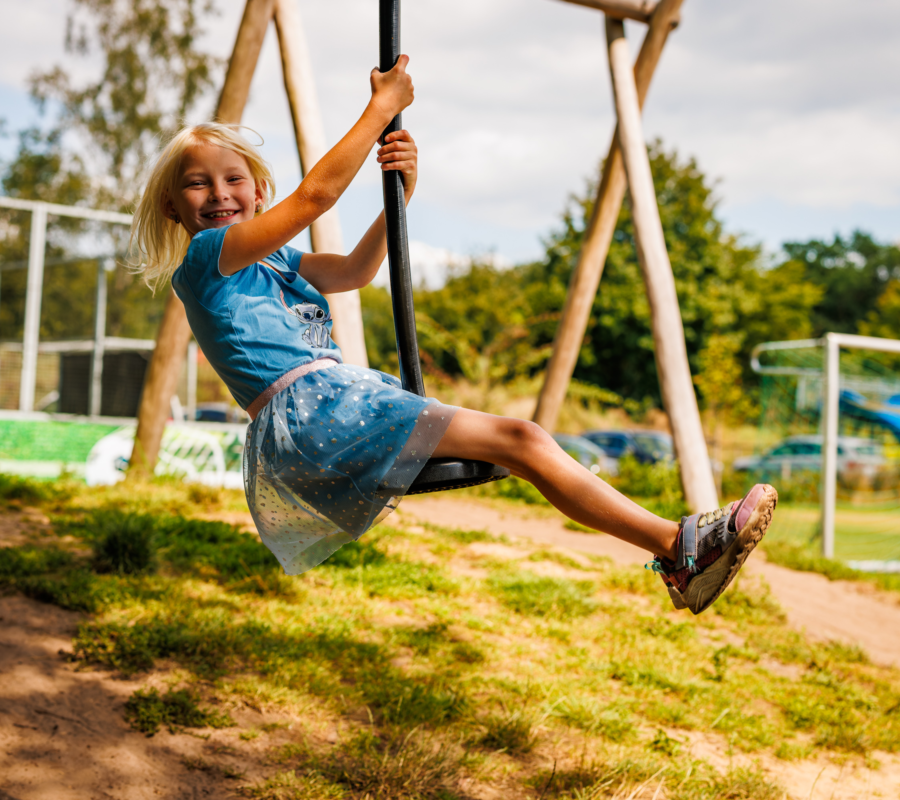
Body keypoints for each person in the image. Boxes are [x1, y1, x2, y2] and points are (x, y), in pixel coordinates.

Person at [130, 57, 777, 615]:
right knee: (521, 440)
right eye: (197, 182)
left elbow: (355, 270)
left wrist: (397, 200)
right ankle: (681, 547)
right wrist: (381, 105)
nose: (219, 193)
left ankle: (679, 550)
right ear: (173, 208)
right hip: (315, 411)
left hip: (333, 406)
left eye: (233, 178)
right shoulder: (210, 255)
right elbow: (316, 198)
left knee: (523, 443)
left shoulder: (275, 261)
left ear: (257, 188)